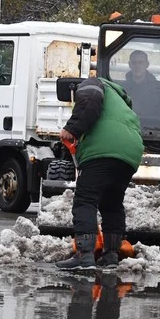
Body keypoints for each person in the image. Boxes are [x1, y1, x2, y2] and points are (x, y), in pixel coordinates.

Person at [56, 77, 144, 270]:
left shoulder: (94, 83)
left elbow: (91, 98)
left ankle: (85, 255)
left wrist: (72, 128)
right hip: (130, 153)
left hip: (104, 149)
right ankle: (111, 255)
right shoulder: (122, 102)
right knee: (111, 203)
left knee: (85, 199)